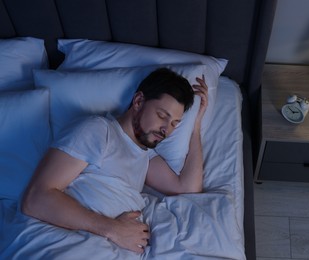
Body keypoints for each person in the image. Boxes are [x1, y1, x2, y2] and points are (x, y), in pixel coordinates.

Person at [21, 68, 208, 254]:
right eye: (162, 116)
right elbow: (36, 198)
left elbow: (188, 188)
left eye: (175, 123)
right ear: (138, 101)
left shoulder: (146, 157)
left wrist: (196, 127)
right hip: (69, 245)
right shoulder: (99, 131)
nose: (166, 130)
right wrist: (113, 229)